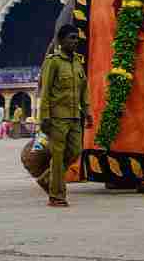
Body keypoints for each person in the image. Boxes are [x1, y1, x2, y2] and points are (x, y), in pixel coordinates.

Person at [37, 24, 91, 207]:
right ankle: (57, 196)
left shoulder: (77, 62)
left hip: (75, 116)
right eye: (71, 38)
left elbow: (84, 90)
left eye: (76, 38)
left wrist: (88, 111)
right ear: (61, 41)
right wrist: (43, 117)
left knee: (75, 151)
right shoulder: (53, 61)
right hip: (57, 117)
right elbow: (45, 92)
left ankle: (48, 178)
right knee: (58, 156)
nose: (75, 42)